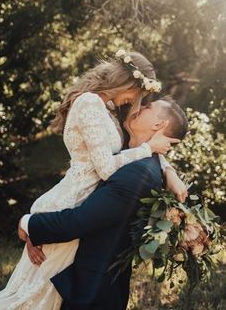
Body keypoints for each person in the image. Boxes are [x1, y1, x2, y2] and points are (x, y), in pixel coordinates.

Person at [0, 50, 186, 310]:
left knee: (37, 297)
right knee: (30, 298)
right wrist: (31, 224)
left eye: (145, 102)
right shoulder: (92, 104)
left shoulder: (109, 109)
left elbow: (129, 151)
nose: (138, 103)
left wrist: (168, 169)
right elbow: (110, 165)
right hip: (69, 203)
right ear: (127, 83)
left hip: (77, 214)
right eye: (140, 95)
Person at [19, 97, 189, 310]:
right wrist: (169, 169)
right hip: (77, 277)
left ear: (158, 125)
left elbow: (78, 222)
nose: (139, 107)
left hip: (91, 293)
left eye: (148, 107)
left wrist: (28, 224)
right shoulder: (134, 156)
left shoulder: (138, 175)